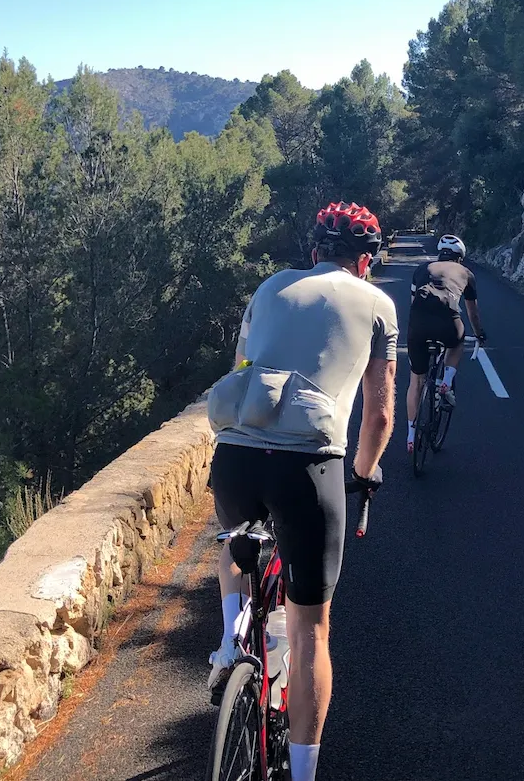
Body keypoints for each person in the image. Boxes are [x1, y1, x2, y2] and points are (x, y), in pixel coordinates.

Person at [206, 200, 396, 781]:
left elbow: (244, 364)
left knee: (236, 540)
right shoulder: (377, 304)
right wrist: (363, 474)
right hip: (309, 470)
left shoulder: (268, 287)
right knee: (311, 627)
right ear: (364, 261)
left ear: (313, 252)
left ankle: (226, 638)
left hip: (235, 453)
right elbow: (381, 416)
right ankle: (305, 773)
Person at [405, 234, 486, 451]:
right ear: (460, 257)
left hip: (418, 325)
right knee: (457, 341)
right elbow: (472, 313)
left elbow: (413, 304)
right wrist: (479, 334)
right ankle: (446, 381)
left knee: (416, 381)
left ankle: (411, 436)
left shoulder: (421, 270)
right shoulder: (467, 274)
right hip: (447, 323)